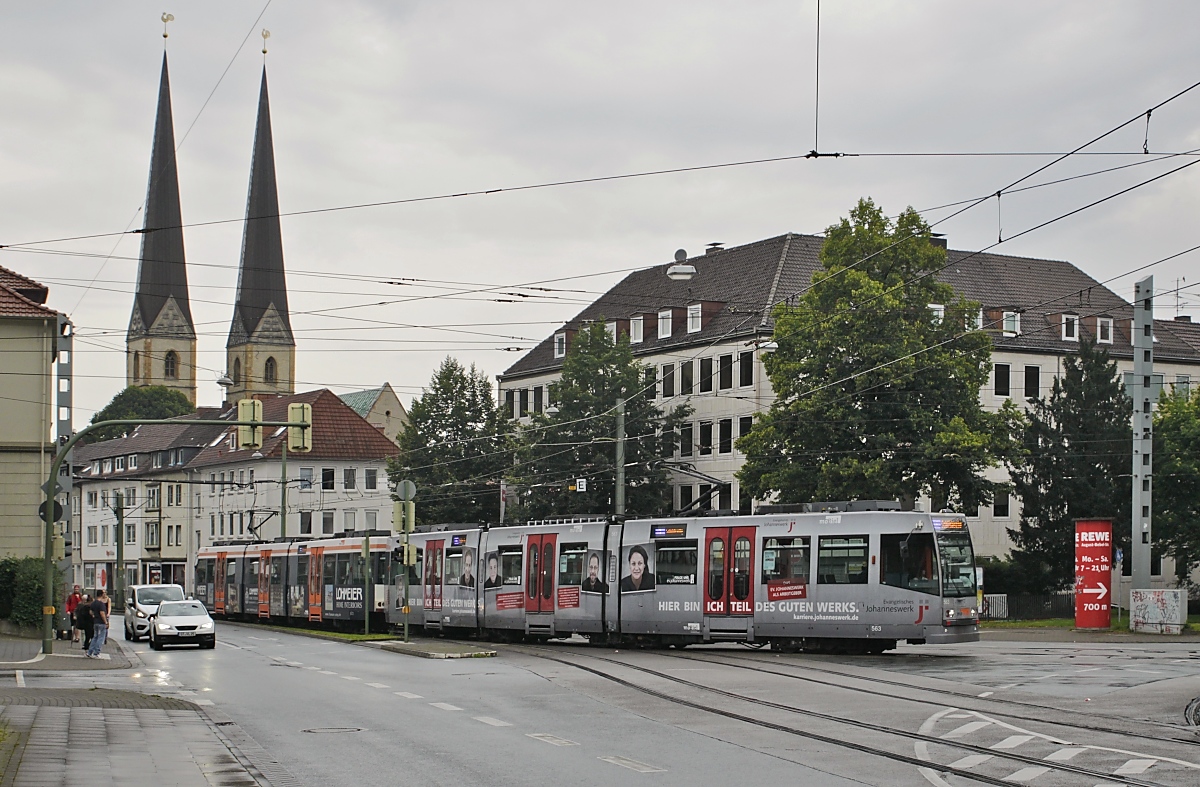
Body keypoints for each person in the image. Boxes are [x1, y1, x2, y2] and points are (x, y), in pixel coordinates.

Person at [86, 589, 109, 658]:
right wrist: (106, 622)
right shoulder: (101, 604)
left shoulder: (93, 603)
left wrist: (94, 616)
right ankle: (96, 652)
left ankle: (89, 652)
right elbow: (102, 613)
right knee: (101, 638)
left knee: (95, 637)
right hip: (101, 622)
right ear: (102, 594)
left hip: (95, 622)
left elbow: (90, 611)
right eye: (103, 593)